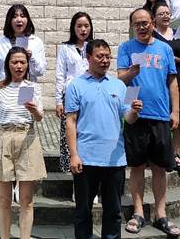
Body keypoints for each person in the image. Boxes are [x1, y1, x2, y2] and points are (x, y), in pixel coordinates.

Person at [66, 39, 142, 239]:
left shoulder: (120, 85)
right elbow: (70, 121)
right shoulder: (76, 86)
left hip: (114, 159)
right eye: (100, 56)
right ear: (88, 57)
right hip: (86, 158)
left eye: (108, 57)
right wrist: (73, 154)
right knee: (83, 211)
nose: (105, 60)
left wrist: (134, 111)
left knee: (113, 212)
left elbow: (129, 119)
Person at [117, 8, 180, 238]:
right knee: (136, 166)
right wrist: (131, 73)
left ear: (152, 23)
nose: (142, 27)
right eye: (137, 24)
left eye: (145, 23)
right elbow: (120, 80)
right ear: (132, 26)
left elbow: (172, 82)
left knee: (159, 168)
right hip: (135, 114)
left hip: (160, 114)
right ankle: (138, 212)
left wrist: (176, 111)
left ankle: (161, 214)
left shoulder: (164, 49)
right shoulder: (126, 48)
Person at [0, 47, 46, 239]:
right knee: (4, 199)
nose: (19, 66)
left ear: (27, 65)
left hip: (27, 138)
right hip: (3, 138)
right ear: (8, 64)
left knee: (26, 199)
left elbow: (39, 117)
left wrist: (34, 110)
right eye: (15, 62)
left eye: (22, 62)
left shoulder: (33, 87)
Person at [152, 4, 180, 177]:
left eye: (168, 13)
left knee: (179, 115)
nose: (165, 16)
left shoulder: (178, 33)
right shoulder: (152, 35)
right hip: (161, 77)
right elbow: (159, 56)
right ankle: (159, 152)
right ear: (155, 18)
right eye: (161, 13)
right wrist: (179, 60)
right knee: (162, 114)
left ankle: (175, 153)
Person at [55, 12, 93, 175]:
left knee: (88, 130)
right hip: (70, 94)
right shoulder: (65, 48)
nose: (83, 30)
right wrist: (58, 100)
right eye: (79, 26)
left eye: (86, 26)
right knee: (70, 131)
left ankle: (89, 167)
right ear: (73, 28)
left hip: (90, 94)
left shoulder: (93, 46)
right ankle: (71, 169)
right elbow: (60, 74)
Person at [0, 4, 46, 82]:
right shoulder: (0, 42)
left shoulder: (36, 42)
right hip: (5, 86)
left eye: (22, 16)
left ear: (28, 19)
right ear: (9, 20)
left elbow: (40, 71)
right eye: (15, 16)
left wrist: (31, 58)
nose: (19, 19)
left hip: (27, 86)